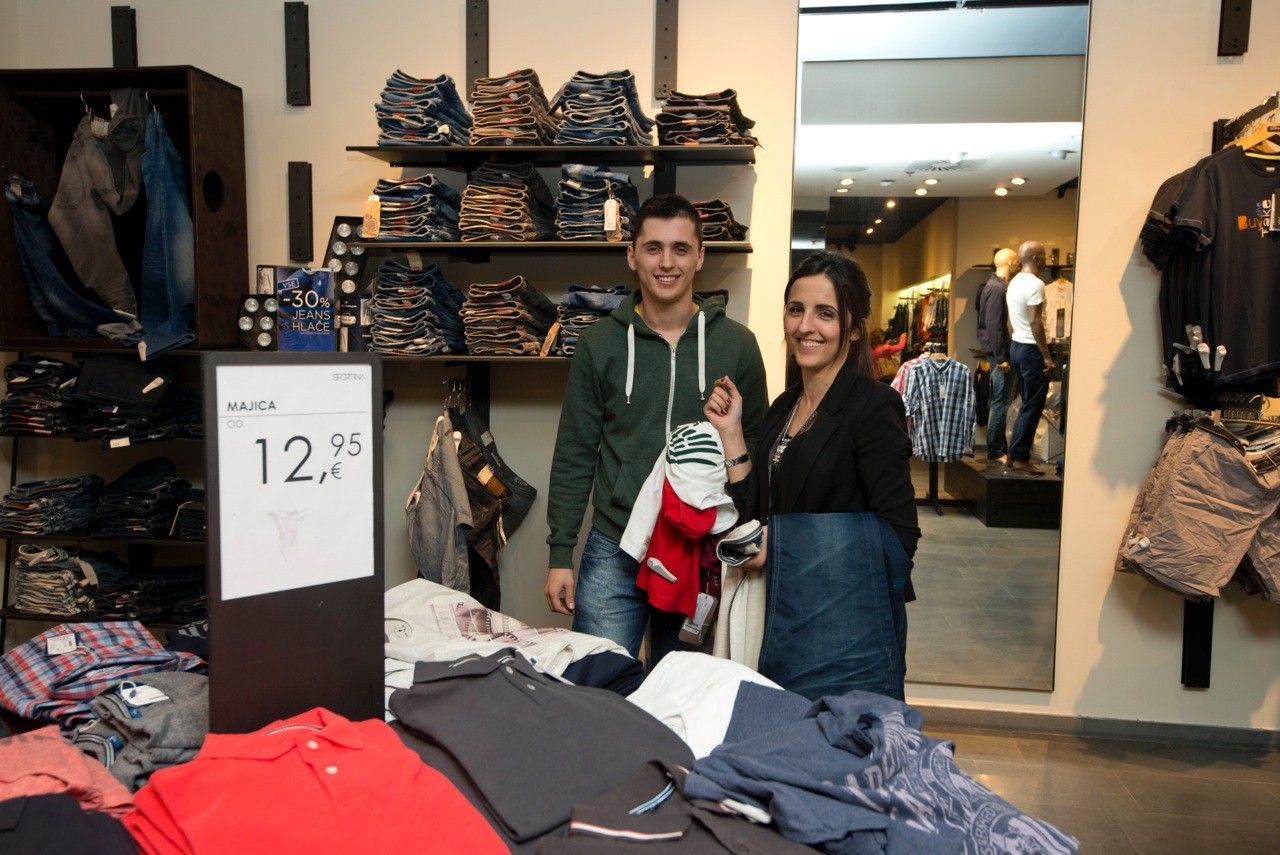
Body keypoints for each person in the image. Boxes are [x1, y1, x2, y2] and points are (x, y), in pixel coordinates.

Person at [544, 194, 768, 663]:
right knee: (601, 686)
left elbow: (757, 448)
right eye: (653, 248)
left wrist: (749, 535)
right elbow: (575, 451)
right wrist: (560, 553)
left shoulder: (738, 345)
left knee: (683, 692)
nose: (667, 263)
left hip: (698, 548)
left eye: (680, 249)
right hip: (615, 544)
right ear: (632, 256)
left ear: (700, 256)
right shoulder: (599, 344)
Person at [704, 251, 919, 696]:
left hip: (845, 633)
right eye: (796, 309)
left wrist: (783, 544)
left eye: (826, 314)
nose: (805, 326)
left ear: (854, 328)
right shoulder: (784, 407)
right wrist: (731, 435)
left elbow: (899, 537)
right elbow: (758, 515)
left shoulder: (874, 406)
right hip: (781, 614)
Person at [1005, 240, 1055, 476]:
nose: (1046, 260)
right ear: (1036, 258)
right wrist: (1046, 356)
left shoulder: (1014, 282)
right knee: (1033, 404)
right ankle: (1020, 457)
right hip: (1031, 349)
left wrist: (1016, 342)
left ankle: (1013, 455)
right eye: (1044, 255)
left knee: (1026, 403)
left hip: (1017, 346)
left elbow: (1009, 321)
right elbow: (1035, 321)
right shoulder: (1036, 284)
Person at [976, 247, 1019, 465]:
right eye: (1016, 260)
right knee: (1000, 400)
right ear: (1010, 263)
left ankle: (999, 447)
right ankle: (995, 450)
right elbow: (994, 325)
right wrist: (1001, 356)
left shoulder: (995, 287)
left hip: (999, 352)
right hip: (999, 353)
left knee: (1002, 400)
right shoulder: (997, 289)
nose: (1018, 263)